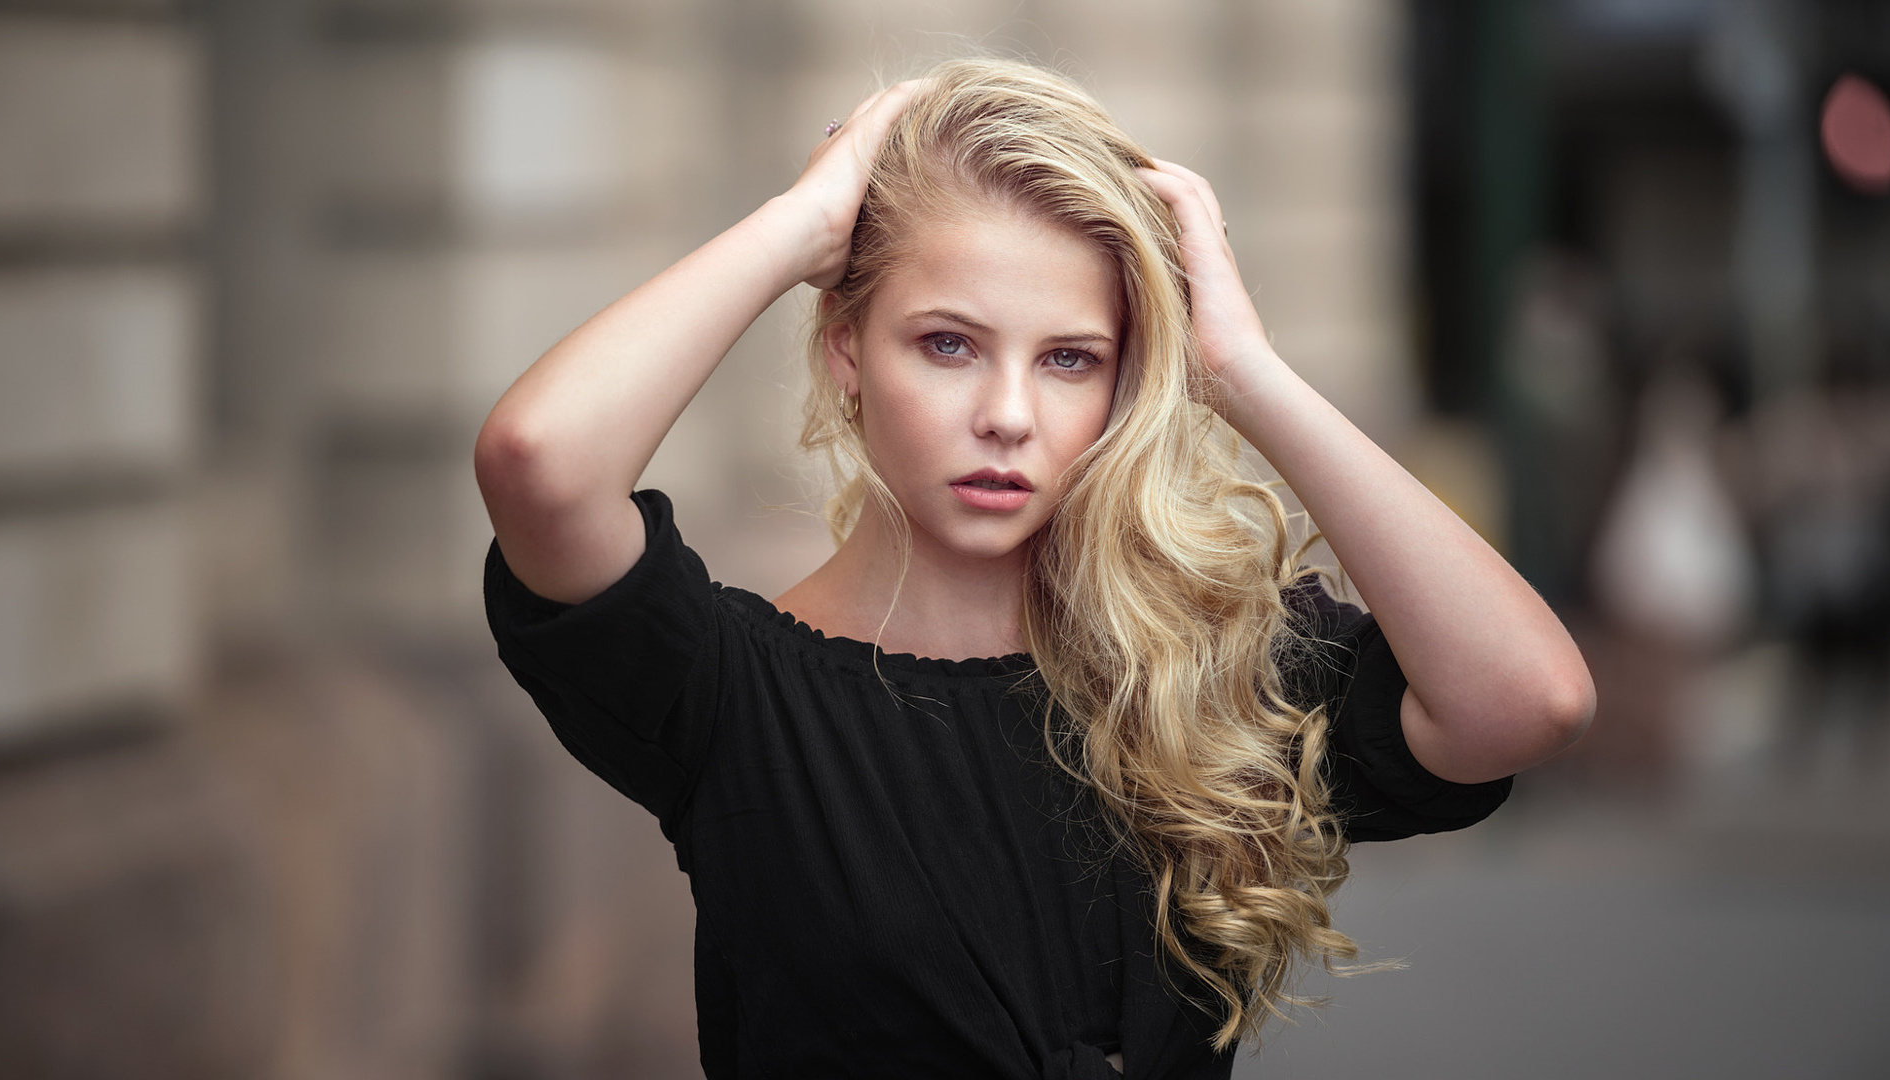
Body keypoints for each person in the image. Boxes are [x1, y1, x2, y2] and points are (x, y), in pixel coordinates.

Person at [475, 58, 1594, 1079]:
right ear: (845, 350)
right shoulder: (729, 695)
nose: (1008, 416)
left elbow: (1528, 699)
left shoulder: (1195, 678)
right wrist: (798, 225)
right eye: (948, 343)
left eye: (1070, 359)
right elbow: (540, 461)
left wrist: (1242, 370)